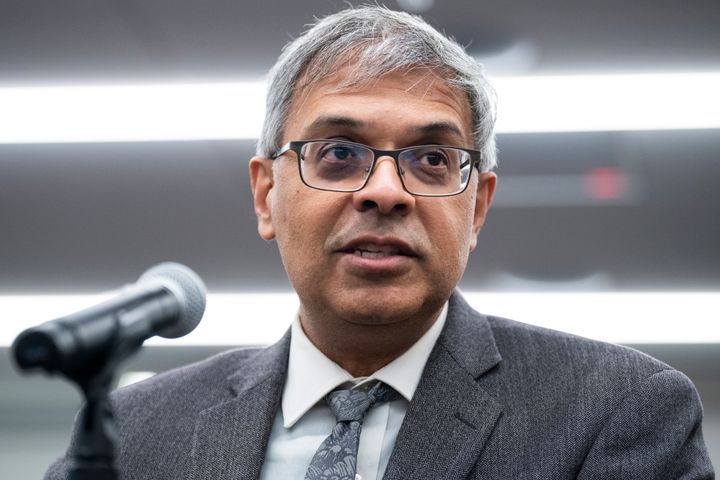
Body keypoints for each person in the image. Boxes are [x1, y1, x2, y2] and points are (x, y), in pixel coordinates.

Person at [46, 6, 714, 480]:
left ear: (476, 206)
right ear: (265, 195)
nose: (386, 192)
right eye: (338, 153)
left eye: (431, 160)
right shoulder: (133, 435)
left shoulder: (617, 411)